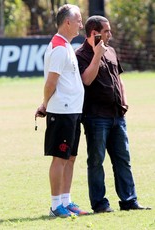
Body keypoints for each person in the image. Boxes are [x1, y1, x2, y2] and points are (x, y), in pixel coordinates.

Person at [75, 15, 152, 213]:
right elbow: (86, 80)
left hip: (117, 116)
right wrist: (97, 55)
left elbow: (119, 78)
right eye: (107, 31)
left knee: (123, 160)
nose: (110, 34)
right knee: (96, 161)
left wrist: (124, 102)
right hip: (96, 117)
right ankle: (100, 204)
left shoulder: (111, 51)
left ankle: (129, 201)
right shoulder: (80, 54)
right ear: (94, 33)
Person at [35, 4, 89, 218]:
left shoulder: (66, 45)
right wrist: (45, 105)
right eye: (78, 20)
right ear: (68, 22)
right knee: (59, 158)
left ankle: (66, 201)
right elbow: (51, 83)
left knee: (71, 157)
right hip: (63, 111)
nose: (81, 24)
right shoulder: (58, 47)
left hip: (73, 111)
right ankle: (55, 205)